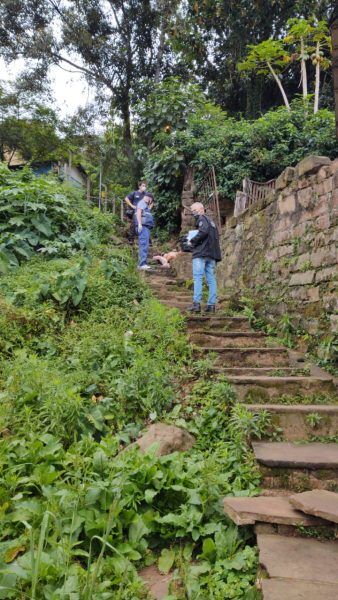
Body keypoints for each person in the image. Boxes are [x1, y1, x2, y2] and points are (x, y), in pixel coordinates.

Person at [187, 202, 222, 313]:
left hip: (201, 253)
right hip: (211, 254)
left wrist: (191, 241)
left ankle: (196, 304)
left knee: (198, 277)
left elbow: (203, 231)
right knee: (211, 279)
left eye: (193, 210)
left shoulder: (202, 219)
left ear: (200, 209)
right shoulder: (212, 222)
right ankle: (211, 306)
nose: (193, 212)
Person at [135, 192, 154, 270]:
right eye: (151, 200)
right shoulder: (142, 203)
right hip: (143, 227)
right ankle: (142, 264)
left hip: (145, 227)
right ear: (149, 198)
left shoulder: (144, 205)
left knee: (144, 245)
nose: (151, 202)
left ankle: (142, 263)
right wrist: (139, 224)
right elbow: (139, 212)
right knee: (143, 245)